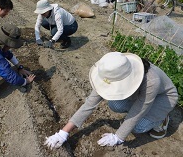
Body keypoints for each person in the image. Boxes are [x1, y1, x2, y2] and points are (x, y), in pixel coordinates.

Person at [44, 52, 178, 149]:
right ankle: (150, 116)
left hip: (163, 98)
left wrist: (118, 136)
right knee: (115, 104)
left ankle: (161, 119)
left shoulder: (151, 81)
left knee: (138, 126)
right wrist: (63, 132)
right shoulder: (112, 71)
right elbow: (89, 104)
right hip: (139, 96)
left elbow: (139, 110)